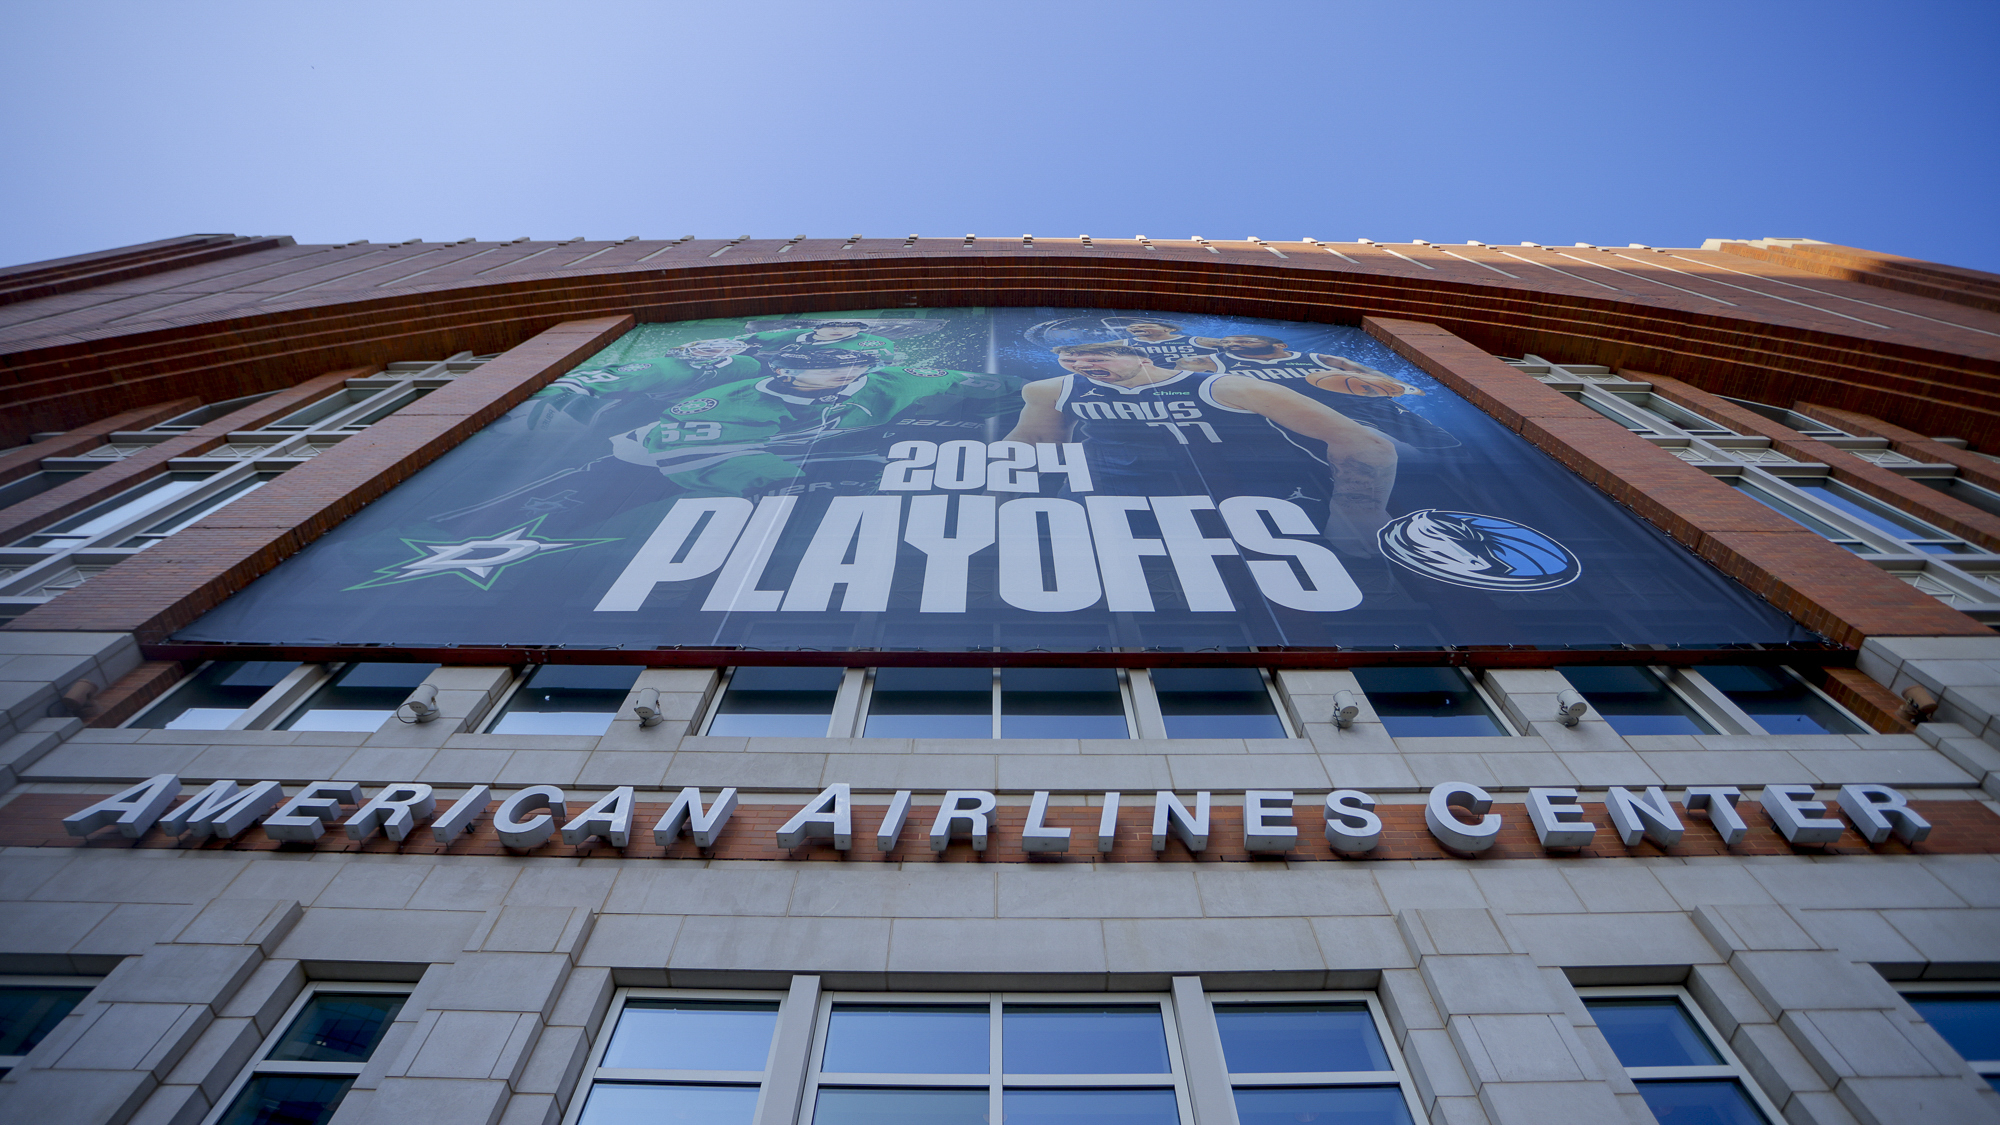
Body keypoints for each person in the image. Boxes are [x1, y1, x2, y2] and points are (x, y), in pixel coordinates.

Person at [1004, 344, 1397, 554]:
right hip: (1114, 513)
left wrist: (1355, 520)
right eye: (1071, 358)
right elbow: (1027, 449)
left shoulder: (1228, 387)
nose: (1081, 364)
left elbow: (1365, 443)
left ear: (1141, 359)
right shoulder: (1053, 390)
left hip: (1258, 511)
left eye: (1096, 356)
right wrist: (991, 517)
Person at [617, 347, 1018, 497]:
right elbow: (691, 454)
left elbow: (989, 385)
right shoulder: (732, 401)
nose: (847, 372)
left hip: (820, 444)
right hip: (647, 463)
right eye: (824, 368)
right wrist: (788, 484)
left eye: (857, 364)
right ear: (783, 372)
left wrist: (1041, 395)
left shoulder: (891, 381)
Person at [1181, 335, 1460, 450]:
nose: (1234, 343)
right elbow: (1186, 376)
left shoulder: (1318, 358)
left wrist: (1395, 387)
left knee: (1443, 447)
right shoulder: (1215, 363)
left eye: (1243, 339)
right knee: (1358, 457)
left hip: (1368, 406)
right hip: (1303, 416)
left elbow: (1374, 376)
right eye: (1229, 342)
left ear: (1279, 345)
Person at [736, 320, 897, 365]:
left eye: (852, 329)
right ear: (816, 329)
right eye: (831, 327)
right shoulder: (788, 334)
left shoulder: (873, 343)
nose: (841, 330)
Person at [1113, 318, 1219, 369]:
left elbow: (1231, 342)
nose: (1135, 328)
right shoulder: (1124, 343)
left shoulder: (1195, 341)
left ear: (1168, 329)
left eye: (1144, 326)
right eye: (1132, 327)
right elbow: (1096, 347)